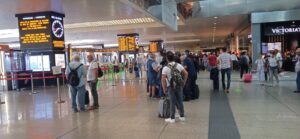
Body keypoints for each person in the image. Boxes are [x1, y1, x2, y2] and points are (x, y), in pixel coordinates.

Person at [161, 51, 188, 123]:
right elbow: (186, 74)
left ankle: (172, 118)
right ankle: (182, 116)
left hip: (171, 86)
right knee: (180, 101)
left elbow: (163, 80)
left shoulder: (165, 68)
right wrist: (184, 83)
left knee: (172, 102)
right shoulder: (178, 65)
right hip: (179, 85)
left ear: (167, 59)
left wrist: (164, 89)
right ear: (173, 58)